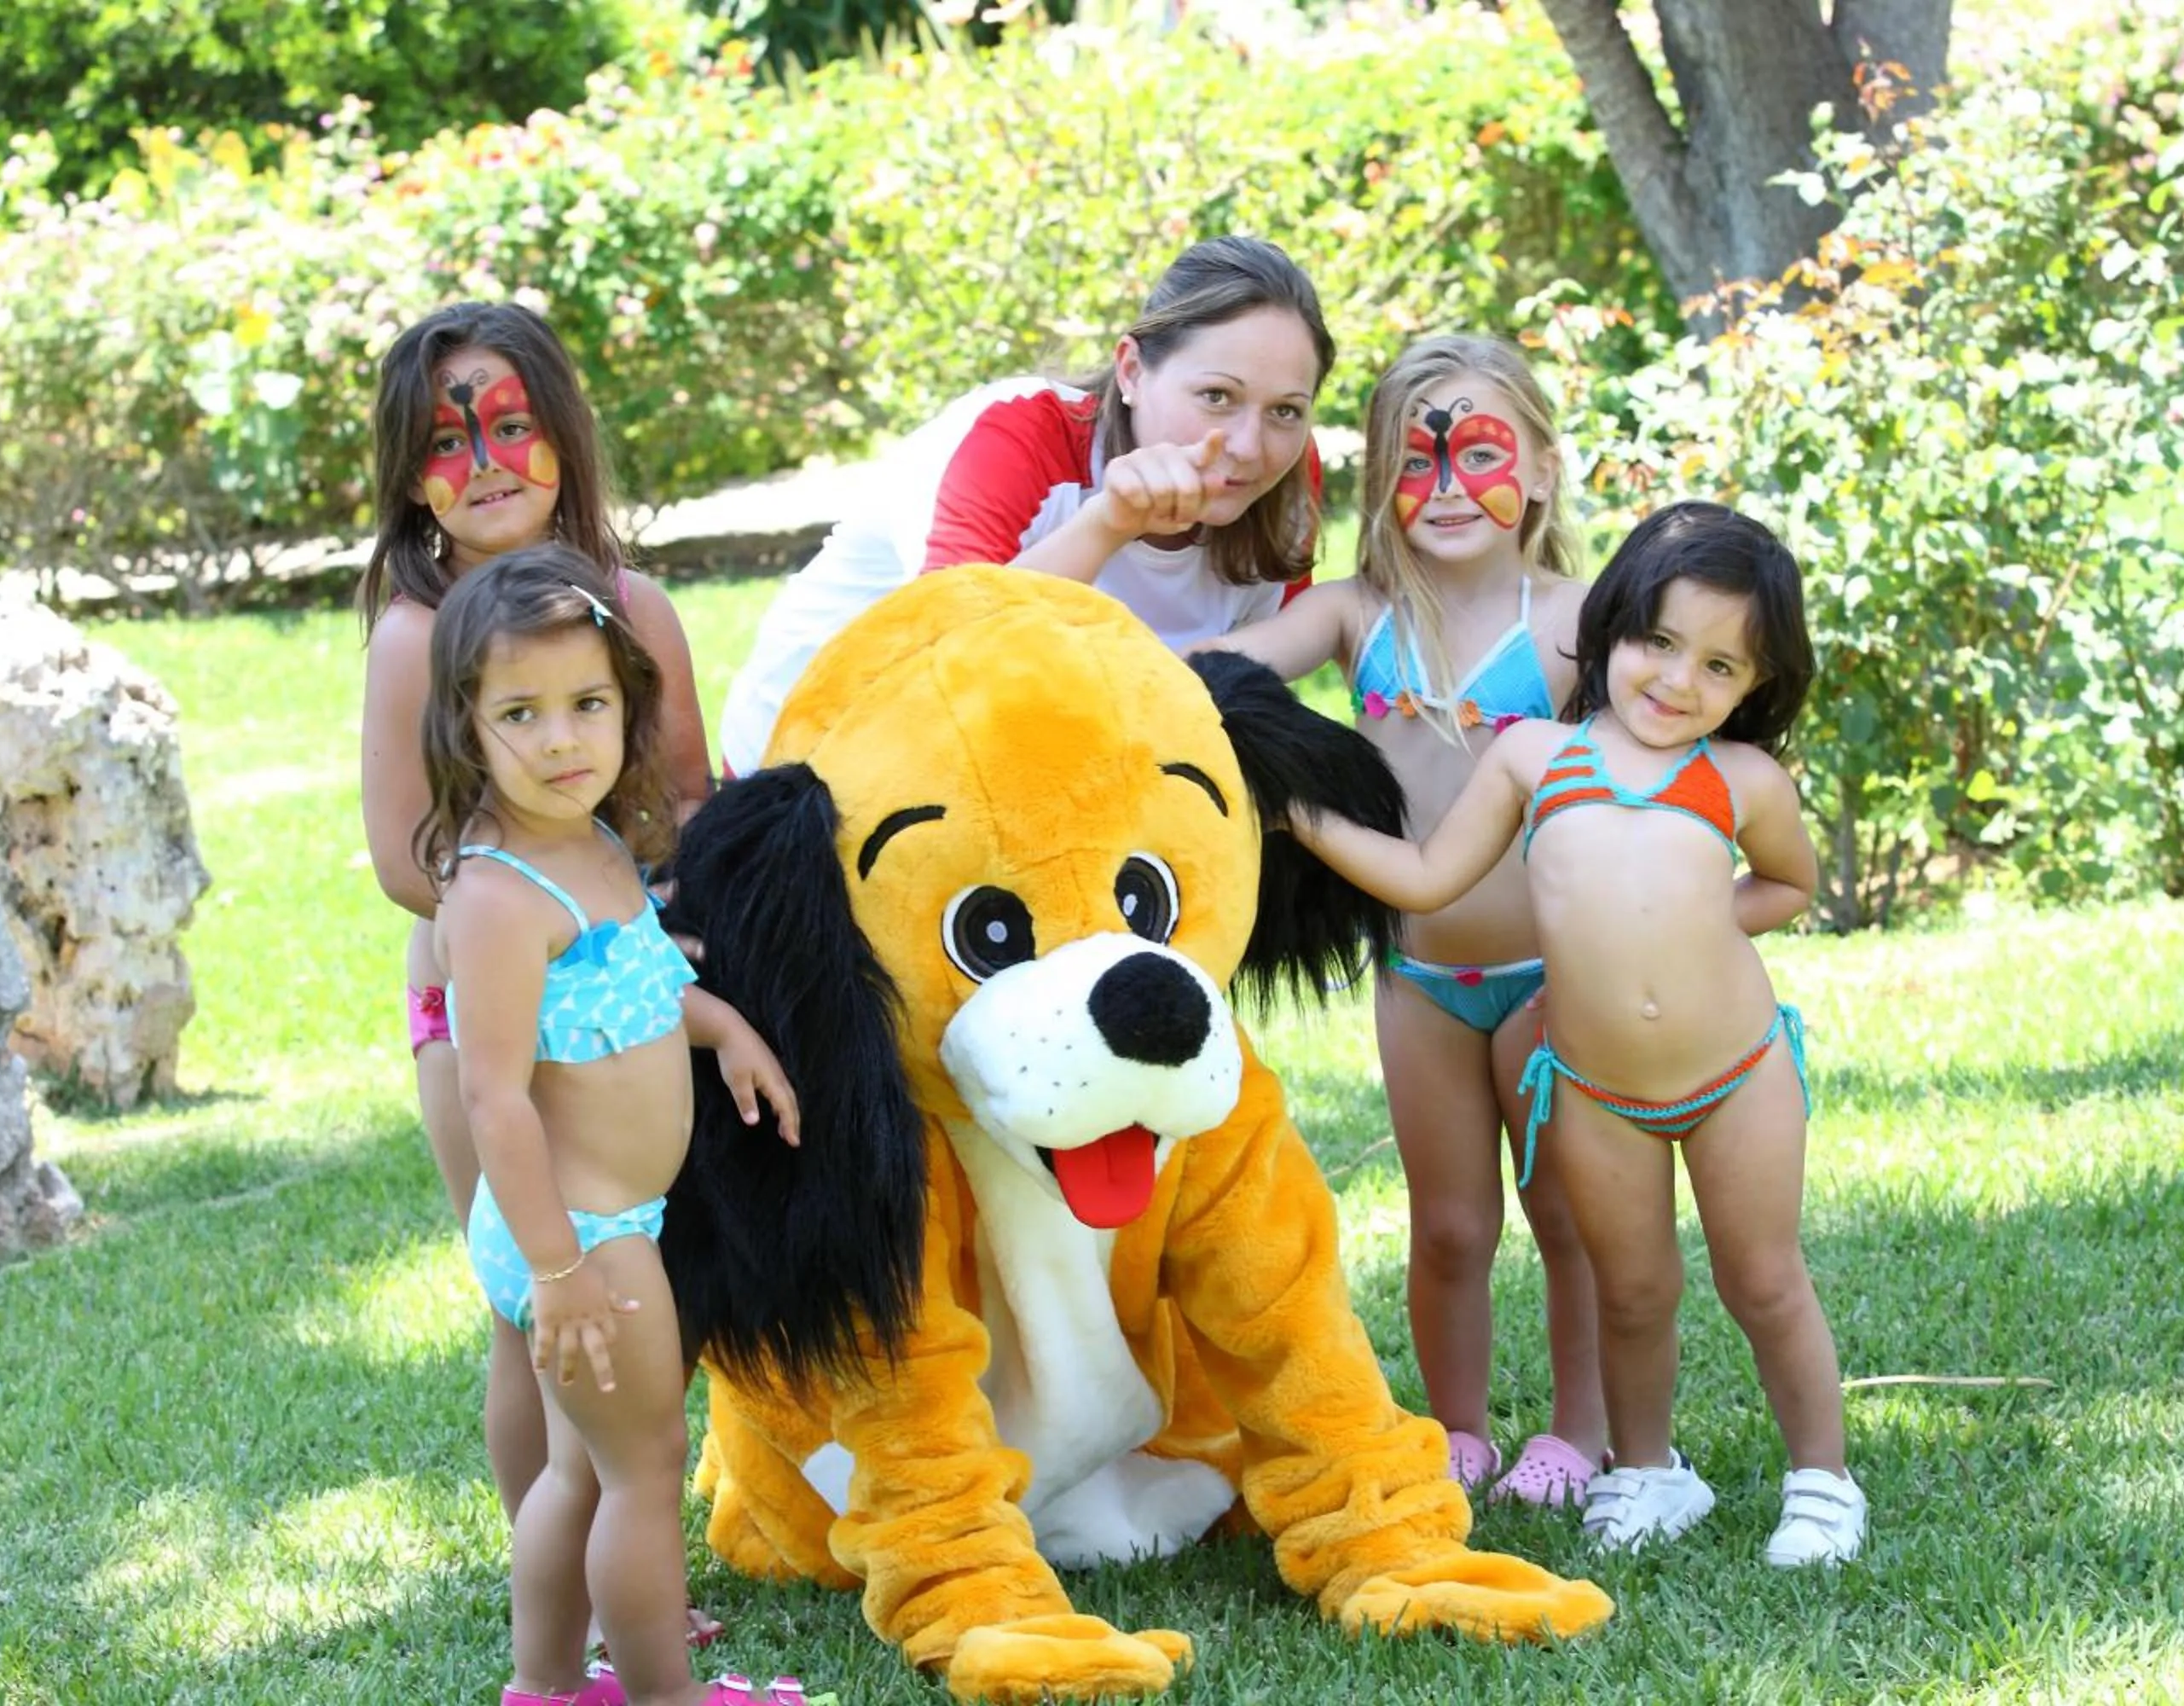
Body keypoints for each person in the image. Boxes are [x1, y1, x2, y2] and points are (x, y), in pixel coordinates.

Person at [1284, 502, 1867, 1566]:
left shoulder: (1741, 779)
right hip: (1596, 1088)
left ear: (1755, 684)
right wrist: (1299, 813)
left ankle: (1822, 1480)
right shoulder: (1534, 758)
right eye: (1659, 641)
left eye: (1720, 666)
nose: (1678, 680)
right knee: (1632, 1288)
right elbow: (1425, 876)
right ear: (1612, 626)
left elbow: (1788, 884)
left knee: (1763, 1278)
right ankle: (1648, 1468)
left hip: (1737, 1074)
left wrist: (1692, 929)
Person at [354, 303, 721, 1647]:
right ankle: (568, 1612)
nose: (487, 462)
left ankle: (630, 1570)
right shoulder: (417, 636)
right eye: (448, 441)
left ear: (563, 434)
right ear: (410, 477)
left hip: (630, 998)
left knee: (630, 1287)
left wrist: (646, 913)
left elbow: (686, 794)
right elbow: (405, 859)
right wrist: (540, 888)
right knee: (531, 1309)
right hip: (486, 1020)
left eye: (511, 425)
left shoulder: (632, 609)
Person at [1202, 334, 1607, 1508]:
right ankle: (1458, 1430)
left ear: (1540, 468)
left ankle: (1582, 1433)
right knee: (1450, 1227)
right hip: (1418, 980)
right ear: (1380, 485)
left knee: (1569, 1217)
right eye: (1414, 465)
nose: (1446, 488)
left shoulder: (1580, 620)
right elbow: (1203, 669)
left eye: (1478, 453)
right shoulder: (1354, 615)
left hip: (1550, 976)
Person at [420, 546, 809, 1705]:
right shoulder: (499, 896)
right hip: (580, 1234)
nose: (561, 740)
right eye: (520, 713)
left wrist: (721, 1028)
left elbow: (634, 992)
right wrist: (560, 1272)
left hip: (590, 1227)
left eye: (586, 703)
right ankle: (664, 1695)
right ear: (465, 724)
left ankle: (545, 1688)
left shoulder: (588, 842)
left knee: (581, 1472)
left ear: (627, 702)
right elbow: (493, 1097)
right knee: (643, 1468)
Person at [717, 234, 1335, 775]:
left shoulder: (1283, 479)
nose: (1249, 446)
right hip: (818, 762)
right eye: (1217, 396)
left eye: (1286, 410)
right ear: (1131, 371)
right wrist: (1109, 523)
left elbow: (1255, 682)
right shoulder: (1015, 435)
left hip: (1073, 761)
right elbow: (952, 656)